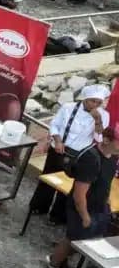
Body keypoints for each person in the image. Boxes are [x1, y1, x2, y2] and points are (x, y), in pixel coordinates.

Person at [38, 127, 119, 268]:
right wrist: (85, 216)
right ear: (107, 140)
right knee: (72, 240)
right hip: (82, 208)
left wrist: (107, 203)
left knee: (80, 242)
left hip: (98, 206)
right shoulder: (91, 159)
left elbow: (106, 183)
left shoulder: (112, 157)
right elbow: (79, 194)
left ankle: (62, 264)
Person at [30, 85, 110, 224]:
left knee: (67, 186)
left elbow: (99, 138)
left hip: (79, 155)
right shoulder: (68, 107)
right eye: (92, 101)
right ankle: (39, 206)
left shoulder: (103, 115)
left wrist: (97, 120)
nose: (95, 105)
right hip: (59, 148)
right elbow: (55, 124)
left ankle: (57, 216)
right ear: (85, 99)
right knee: (48, 178)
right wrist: (58, 141)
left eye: (98, 102)